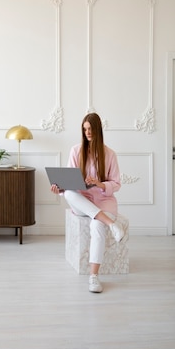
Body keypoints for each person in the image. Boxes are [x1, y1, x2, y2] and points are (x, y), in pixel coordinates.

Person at [51, 112, 124, 293]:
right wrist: (58, 187)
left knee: (97, 226)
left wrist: (99, 183)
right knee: (68, 192)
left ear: (98, 129)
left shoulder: (110, 154)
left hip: (104, 202)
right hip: (82, 201)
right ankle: (112, 224)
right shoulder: (76, 151)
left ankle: (94, 277)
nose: (88, 133)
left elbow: (116, 184)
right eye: (85, 129)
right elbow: (68, 179)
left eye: (90, 129)